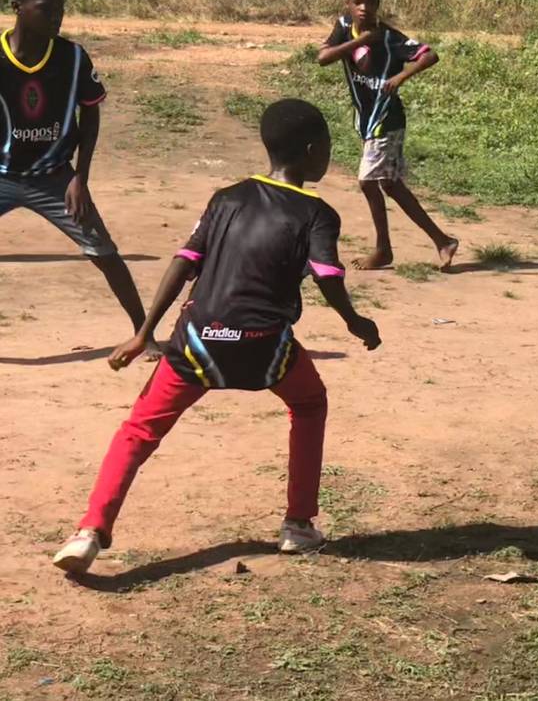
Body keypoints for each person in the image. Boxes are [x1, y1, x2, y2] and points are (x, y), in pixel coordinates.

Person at [52, 99, 381, 573]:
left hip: (198, 342)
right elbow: (328, 272)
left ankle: (89, 532)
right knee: (309, 404)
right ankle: (298, 525)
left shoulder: (226, 198)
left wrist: (144, 332)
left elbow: (184, 263)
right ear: (312, 151)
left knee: (140, 430)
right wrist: (355, 322)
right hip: (267, 346)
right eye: (327, 146)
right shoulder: (317, 212)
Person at [0, 0, 157, 353]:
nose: (58, 17)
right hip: (3, 174)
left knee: (103, 251)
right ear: (17, 8)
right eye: (46, 9)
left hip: (55, 177)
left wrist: (80, 179)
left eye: (61, 9)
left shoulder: (72, 57)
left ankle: (144, 332)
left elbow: (91, 113)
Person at [318, 0, 458, 271]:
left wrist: (400, 77)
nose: (363, 8)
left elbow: (430, 55)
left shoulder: (389, 37)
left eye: (370, 2)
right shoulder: (344, 26)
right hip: (367, 119)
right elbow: (323, 58)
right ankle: (442, 240)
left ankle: (383, 249)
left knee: (368, 182)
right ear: (347, 3)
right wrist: (360, 41)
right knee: (390, 185)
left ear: (379, 4)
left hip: (386, 119)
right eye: (357, 2)